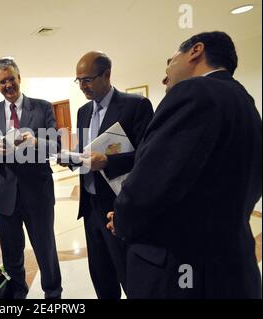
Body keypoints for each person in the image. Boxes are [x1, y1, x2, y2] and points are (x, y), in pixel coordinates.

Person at [108, 31, 262, 298]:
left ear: (196, 51)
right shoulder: (245, 102)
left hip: (179, 270)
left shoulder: (195, 91)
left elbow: (151, 184)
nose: (165, 74)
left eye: (170, 61)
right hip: (233, 266)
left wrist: (122, 220)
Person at [65, 51, 153, 299]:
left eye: (88, 79)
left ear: (107, 74)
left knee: (130, 275)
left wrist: (108, 162)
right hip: (91, 209)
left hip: (120, 206)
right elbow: (86, 153)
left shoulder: (135, 106)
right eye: (78, 80)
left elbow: (150, 158)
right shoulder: (83, 112)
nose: (82, 86)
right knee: (101, 276)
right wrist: (72, 159)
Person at [0, 58, 62, 299]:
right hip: (5, 195)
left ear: (19, 78)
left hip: (38, 193)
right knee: (11, 252)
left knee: (45, 249)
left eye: (11, 79)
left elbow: (55, 145)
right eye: (2, 81)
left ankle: (53, 294)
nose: (8, 85)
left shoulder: (43, 107)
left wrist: (36, 141)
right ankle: (16, 295)